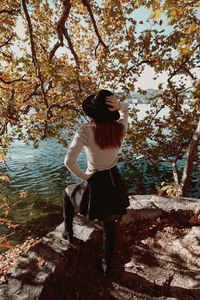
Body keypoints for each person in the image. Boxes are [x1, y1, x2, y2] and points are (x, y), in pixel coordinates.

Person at [63, 89, 129, 277]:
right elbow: (125, 112)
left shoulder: (85, 131)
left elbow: (68, 161)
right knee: (109, 224)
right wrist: (120, 106)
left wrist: (84, 176)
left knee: (67, 192)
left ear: (92, 113)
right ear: (111, 111)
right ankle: (106, 264)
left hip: (95, 181)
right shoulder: (120, 128)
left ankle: (68, 232)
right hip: (113, 180)